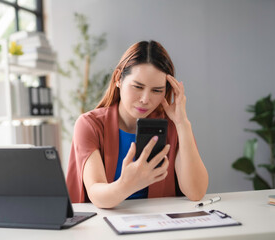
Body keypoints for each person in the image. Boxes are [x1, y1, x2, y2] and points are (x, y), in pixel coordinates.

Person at [66, 40, 208, 208]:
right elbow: (97, 194)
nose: (145, 99)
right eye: (138, 87)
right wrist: (127, 184)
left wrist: (182, 123)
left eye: (157, 90)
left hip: (157, 223)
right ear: (118, 79)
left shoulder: (172, 126)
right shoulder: (89, 125)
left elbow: (196, 192)